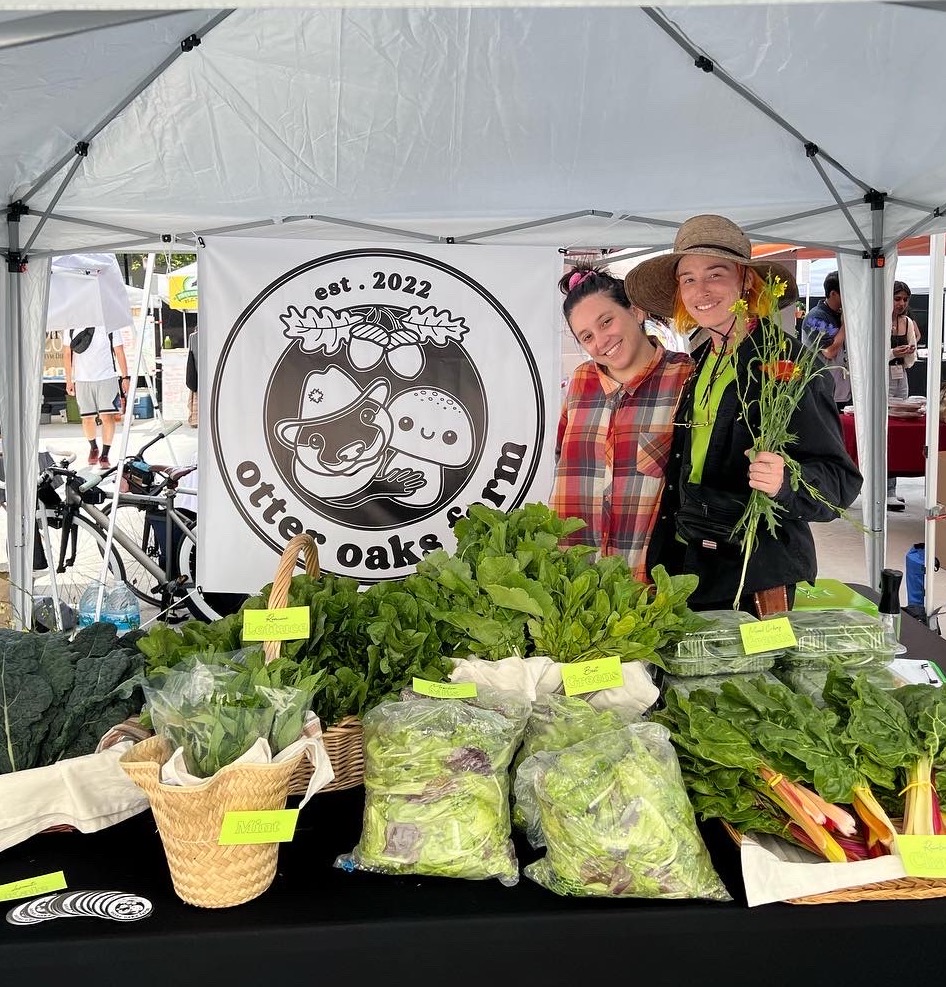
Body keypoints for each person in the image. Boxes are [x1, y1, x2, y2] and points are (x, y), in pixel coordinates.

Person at [626, 214, 862, 616]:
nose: (701, 290)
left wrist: (785, 480)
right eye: (688, 279)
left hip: (753, 576)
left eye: (715, 274)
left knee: (748, 680)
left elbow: (839, 485)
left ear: (746, 282)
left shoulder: (791, 365)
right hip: (688, 564)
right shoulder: (698, 363)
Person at [549, 266, 693, 582]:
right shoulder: (580, 381)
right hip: (575, 580)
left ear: (636, 310)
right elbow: (561, 456)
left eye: (606, 321)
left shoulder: (686, 378)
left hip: (649, 581)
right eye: (586, 336)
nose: (601, 341)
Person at [62, 325, 130, 468]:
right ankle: (93, 447)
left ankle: (105, 454)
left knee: (108, 417)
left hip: (107, 377)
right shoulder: (71, 326)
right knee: (87, 419)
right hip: (82, 379)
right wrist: (69, 380)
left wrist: (125, 377)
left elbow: (119, 351)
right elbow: (67, 353)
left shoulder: (110, 325)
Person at [886, 280, 921, 511]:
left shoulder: (907, 323)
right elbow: (871, 354)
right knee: (885, 427)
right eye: (897, 298)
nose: (901, 303)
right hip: (884, 375)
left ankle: (892, 489)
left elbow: (912, 354)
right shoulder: (880, 321)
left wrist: (908, 349)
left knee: (899, 425)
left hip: (901, 375)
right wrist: (891, 352)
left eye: (905, 299)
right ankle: (884, 487)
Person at [801, 270, 851, 413]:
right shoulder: (815, 317)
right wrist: (845, 325)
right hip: (822, 388)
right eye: (845, 292)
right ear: (833, 293)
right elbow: (829, 351)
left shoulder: (839, 314)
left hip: (841, 389)